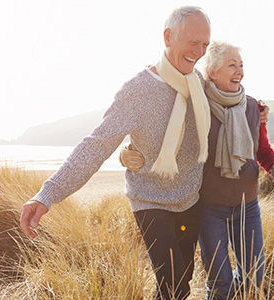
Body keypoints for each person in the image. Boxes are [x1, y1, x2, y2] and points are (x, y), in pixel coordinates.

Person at [20, 6, 212, 300]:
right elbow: (96, 144)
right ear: (168, 37)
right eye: (193, 41)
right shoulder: (136, 91)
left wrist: (257, 113)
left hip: (190, 198)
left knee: (180, 283)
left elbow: (227, 105)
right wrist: (48, 193)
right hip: (150, 199)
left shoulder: (197, 82)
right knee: (174, 283)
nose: (199, 51)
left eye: (205, 45)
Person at [120, 41, 274, 299]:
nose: (239, 71)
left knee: (253, 276)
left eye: (241, 65)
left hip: (247, 207)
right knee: (219, 282)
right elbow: (162, 139)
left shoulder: (252, 108)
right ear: (212, 72)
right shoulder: (195, 107)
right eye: (231, 65)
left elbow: (262, 152)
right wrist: (127, 153)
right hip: (208, 210)